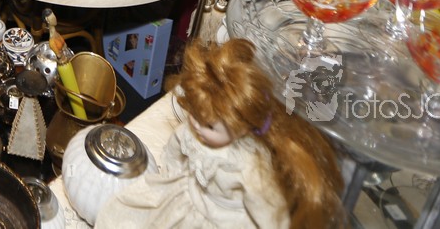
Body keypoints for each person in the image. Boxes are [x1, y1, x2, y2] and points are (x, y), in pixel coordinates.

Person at [94, 38, 341, 227]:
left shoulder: (248, 165)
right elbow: (175, 151)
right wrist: (169, 177)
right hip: (186, 198)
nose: (197, 126)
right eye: (194, 115)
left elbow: (267, 208)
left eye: (210, 126)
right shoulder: (192, 132)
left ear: (241, 125)